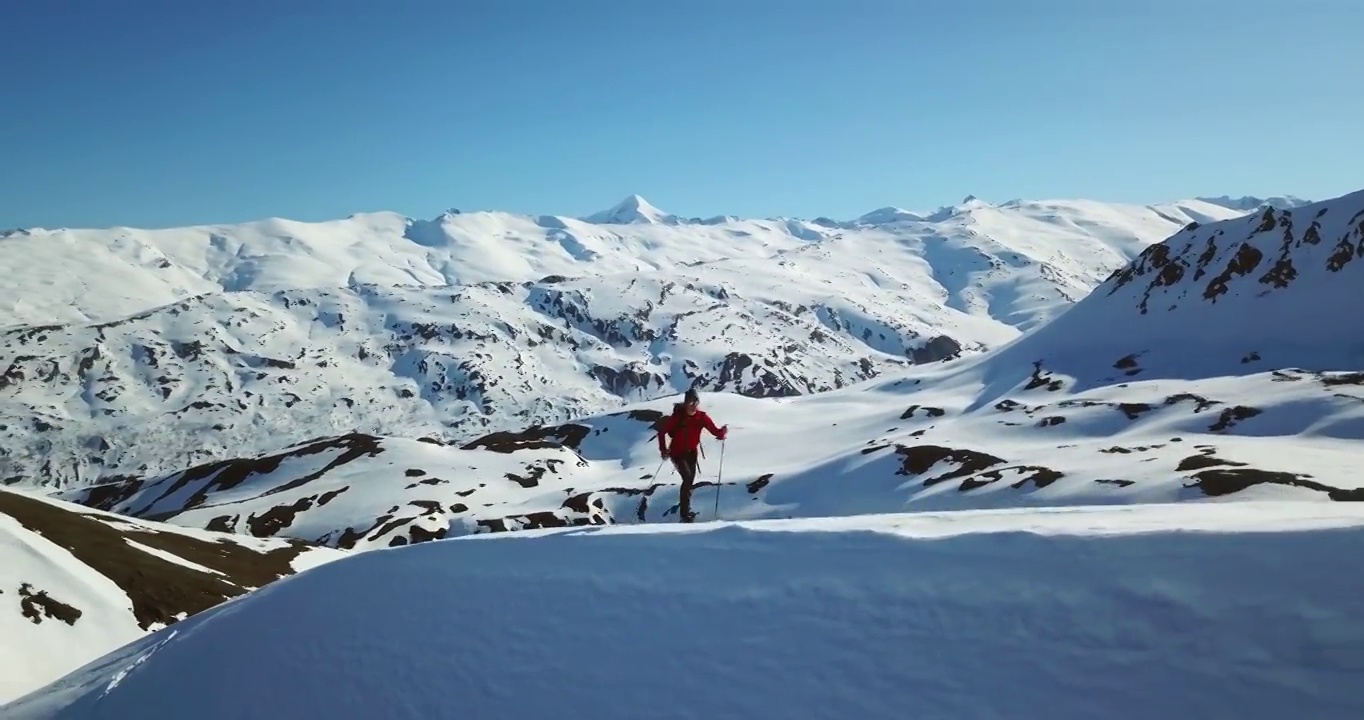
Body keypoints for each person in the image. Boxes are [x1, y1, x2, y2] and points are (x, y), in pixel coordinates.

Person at [657, 388, 728, 523]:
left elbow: (714, 430)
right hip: (677, 453)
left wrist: (722, 432)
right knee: (688, 478)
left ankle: (686, 512)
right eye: (689, 402)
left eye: (694, 401)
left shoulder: (701, 417)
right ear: (685, 403)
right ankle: (685, 514)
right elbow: (662, 432)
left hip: (691, 453)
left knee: (689, 481)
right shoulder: (678, 417)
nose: (692, 404)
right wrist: (664, 450)